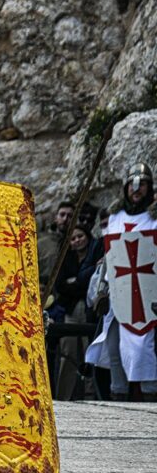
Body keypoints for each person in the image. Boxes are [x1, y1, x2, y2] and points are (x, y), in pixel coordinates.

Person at [85, 163, 157, 401]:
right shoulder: (114, 218)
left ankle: (150, 396)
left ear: (149, 187)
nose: (137, 189)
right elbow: (108, 258)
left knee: (144, 348)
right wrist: (101, 291)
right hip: (119, 291)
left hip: (148, 296)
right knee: (114, 347)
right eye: (133, 184)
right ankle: (117, 397)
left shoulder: (154, 218)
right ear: (126, 187)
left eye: (142, 184)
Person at [48, 224, 103, 399]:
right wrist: (80, 284)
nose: (77, 240)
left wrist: (76, 282)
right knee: (68, 351)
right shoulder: (66, 259)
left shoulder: (95, 255)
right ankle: (64, 395)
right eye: (73, 238)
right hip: (71, 309)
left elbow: (90, 283)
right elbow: (61, 286)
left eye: (80, 236)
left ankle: (91, 393)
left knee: (91, 351)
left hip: (89, 309)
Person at [38, 200, 76, 289]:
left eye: (70, 216)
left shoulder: (77, 242)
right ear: (56, 218)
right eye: (62, 215)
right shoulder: (40, 244)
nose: (65, 219)